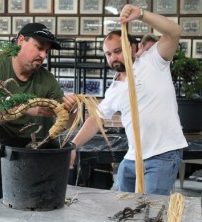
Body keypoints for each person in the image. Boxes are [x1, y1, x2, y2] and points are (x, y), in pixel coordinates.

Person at [0, 23, 77, 222]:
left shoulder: (47, 81)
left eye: (47, 51)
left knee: (4, 217)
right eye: (39, 47)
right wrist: (26, 109)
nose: (43, 55)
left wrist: (72, 110)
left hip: (14, 160)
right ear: (20, 41)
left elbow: (66, 121)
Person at [70, 4, 188, 196]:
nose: (113, 58)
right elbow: (95, 119)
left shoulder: (154, 62)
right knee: (124, 207)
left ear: (132, 47)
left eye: (117, 51)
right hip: (132, 159)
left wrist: (141, 15)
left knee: (150, 211)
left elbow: (175, 31)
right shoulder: (115, 88)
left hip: (163, 154)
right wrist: (72, 145)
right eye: (108, 54)